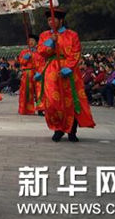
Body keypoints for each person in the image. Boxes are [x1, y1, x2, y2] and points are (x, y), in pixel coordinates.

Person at [36, 8, 96, 142]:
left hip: (69, 71)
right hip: (52, 70)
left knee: (70, 101)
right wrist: (51, 42)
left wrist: (69, 66)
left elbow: (76, 51)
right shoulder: (44, 35)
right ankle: (58, 128)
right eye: (49, 20)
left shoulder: (72, 35)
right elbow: (41, 51)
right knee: (52, 102)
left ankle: (72, 130)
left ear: (61, 20)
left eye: (53, 19)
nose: (51, 22)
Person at [17, 37, 39, 115]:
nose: (31, 42)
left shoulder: (40, 51)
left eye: (33, 40)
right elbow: (21, 62)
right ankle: (27, 109)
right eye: (29, 41)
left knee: (39, 91)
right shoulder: (24, 52)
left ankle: (41, 108)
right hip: (28, 73)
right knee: (27, 91)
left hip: (38, 72)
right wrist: (26, 57)